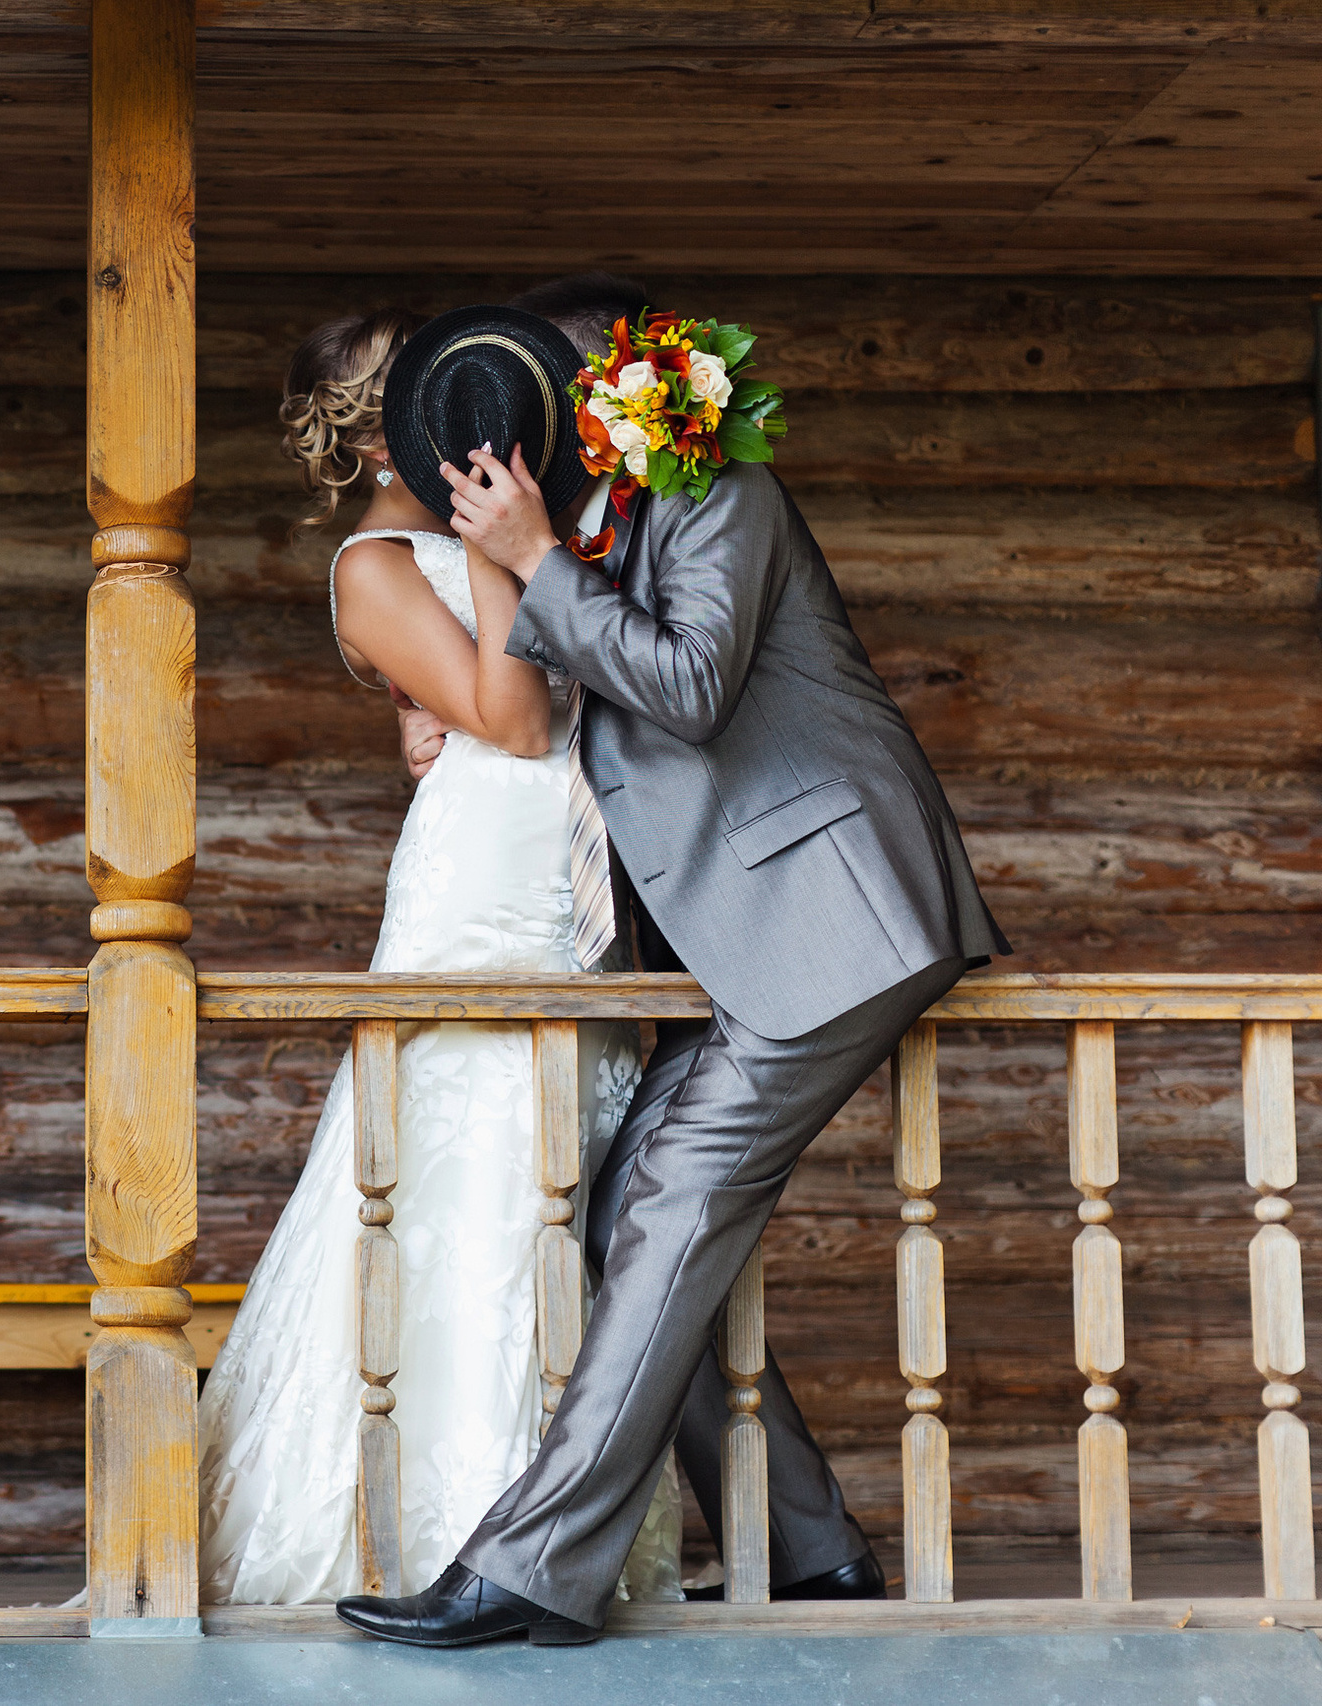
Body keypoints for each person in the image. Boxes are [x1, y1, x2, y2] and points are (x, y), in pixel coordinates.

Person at [334, 278, 1008, 1649]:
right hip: (760, 938)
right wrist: (425, 697)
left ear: (623, 391)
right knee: (614, 1217)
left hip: (835, 913)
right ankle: (811, 1548)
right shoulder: (595, 525)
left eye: (560, 392)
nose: (544, 425)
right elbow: (542, 703)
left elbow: (691, 684)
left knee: (670, 1206)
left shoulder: (722, 493)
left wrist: (531, 558)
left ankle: (532, 1570)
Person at [195, 306, 681, 1607]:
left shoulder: (495, 526)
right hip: (481, 889)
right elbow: (516, 723)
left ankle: (555, 1523)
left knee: (569, 1183)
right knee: (470, 1182)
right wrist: (503, 558)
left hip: (561, 875)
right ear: (376, 426)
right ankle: (451, 1521)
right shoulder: (371, 568)